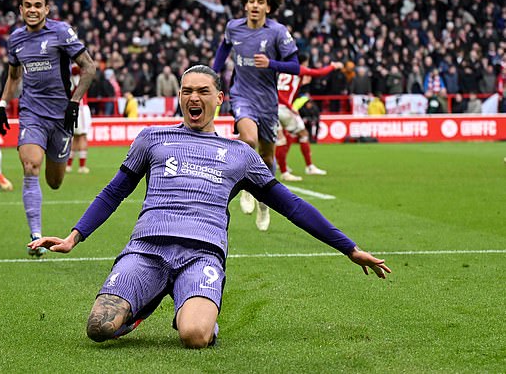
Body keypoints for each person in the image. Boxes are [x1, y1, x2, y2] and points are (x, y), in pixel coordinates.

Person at [28, 65, 391, 349]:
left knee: (195, 337)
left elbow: (291, 206)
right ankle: (146, 302)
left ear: (220, 98)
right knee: (98, 328)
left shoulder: (240, 155)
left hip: (201, 255)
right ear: (180, 98)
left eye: (202, 91)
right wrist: (75, 236)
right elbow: (113, 192)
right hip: (147, 249)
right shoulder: (152, 139)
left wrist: (349, 248)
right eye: (187, 91)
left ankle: (194, 309)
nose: (193, 97)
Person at [0, 0, 96, 257]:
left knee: (54, 181)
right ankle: (36, 237)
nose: (32, 10)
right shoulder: (15, 39)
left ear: (46, 9)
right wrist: (3, 104)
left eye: (38, 5)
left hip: (61, 117)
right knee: (30, 166)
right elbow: (14, 77)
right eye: (28, 5)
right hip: (31, 114)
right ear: (21, 9)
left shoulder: (61, 32)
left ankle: (55, 171)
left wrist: (74, 101)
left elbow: (89, 67)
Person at [212, 0, 300, 231]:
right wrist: (212, 75)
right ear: (245, 5)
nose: (254, 5)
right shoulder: (234, 28)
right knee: (248, 140)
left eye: (260, 2)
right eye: (251, 1)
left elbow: (294, 66)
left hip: (268, 102)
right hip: (242, 96)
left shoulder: (278, 32)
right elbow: (223, 51)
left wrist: (272, 64)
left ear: (268, 8)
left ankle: (264, 204)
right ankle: (246, 189)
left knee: (267, 155)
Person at [275, 56, 342, 182]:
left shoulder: (281, 70)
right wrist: (333, 66)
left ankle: (281, 168)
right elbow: (319, 73)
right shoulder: (298, 69)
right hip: (284, 109)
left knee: (281, 139)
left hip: (271, 108)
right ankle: (309, 167)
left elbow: (277, 90)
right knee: (303, 134)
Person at [66, 65, 91, 174]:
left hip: (72, 107)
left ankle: (68, 165)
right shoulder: (77, 75)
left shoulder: (68, 76)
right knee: (82, 136)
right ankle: (82, 166)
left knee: (75, 137)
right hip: (81, 107)